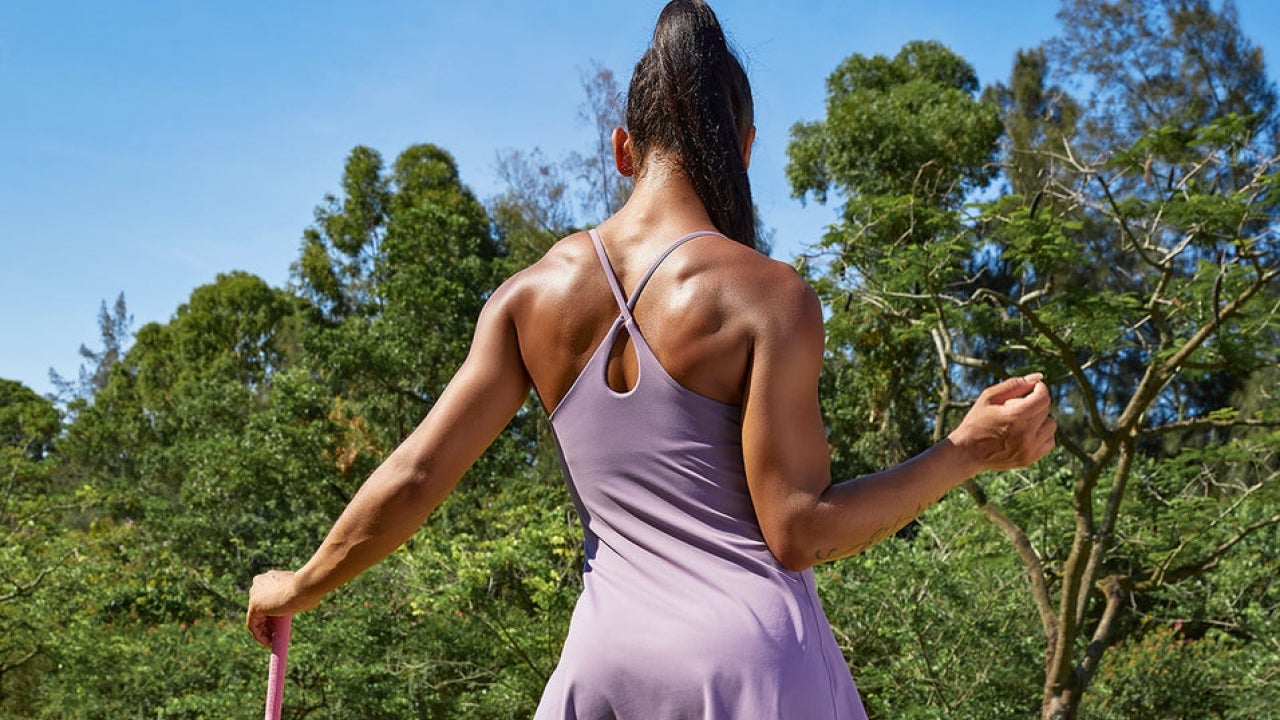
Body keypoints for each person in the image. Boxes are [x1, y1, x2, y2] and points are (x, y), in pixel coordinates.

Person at [246, 1, 1057, 717]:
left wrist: (300, 584)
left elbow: (418, 477)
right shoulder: (768, 297)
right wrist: (967, 451)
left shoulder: (529, 297)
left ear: (623, 148)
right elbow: (801, 531)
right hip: (748, 670)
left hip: (605, 670)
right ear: (742, 148)